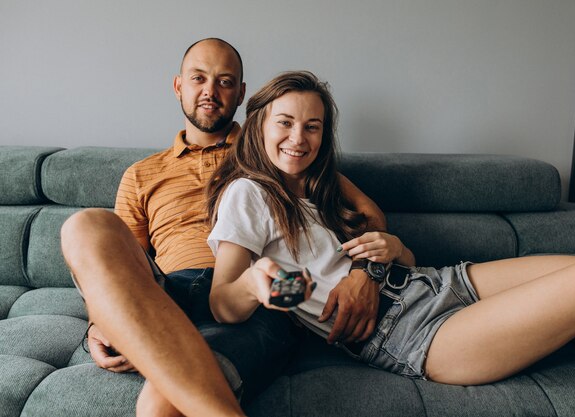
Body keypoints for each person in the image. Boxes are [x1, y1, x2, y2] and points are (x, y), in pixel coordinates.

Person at [206, 70, 575, 389]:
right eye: (285, 122)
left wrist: (392, 249)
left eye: (312, 126)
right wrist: (256, 285)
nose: (298, 138)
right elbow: (221, 301)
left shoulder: (321, 187)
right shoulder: (249, 193)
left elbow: (398, 253)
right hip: (412, 334)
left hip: (439, 281)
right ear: (259, 124)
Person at [61, 40, 386, 416]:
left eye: (225, 81)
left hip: (249, 295)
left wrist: (366, 273)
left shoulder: (277, 149)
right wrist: (100, 320)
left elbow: (369, 214)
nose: (210, 92)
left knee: (160, 408)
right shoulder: (141, 174)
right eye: (199, 78)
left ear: (242, 93)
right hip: (167, 295)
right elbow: (115, 265)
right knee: (86, 225)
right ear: (179, 85)